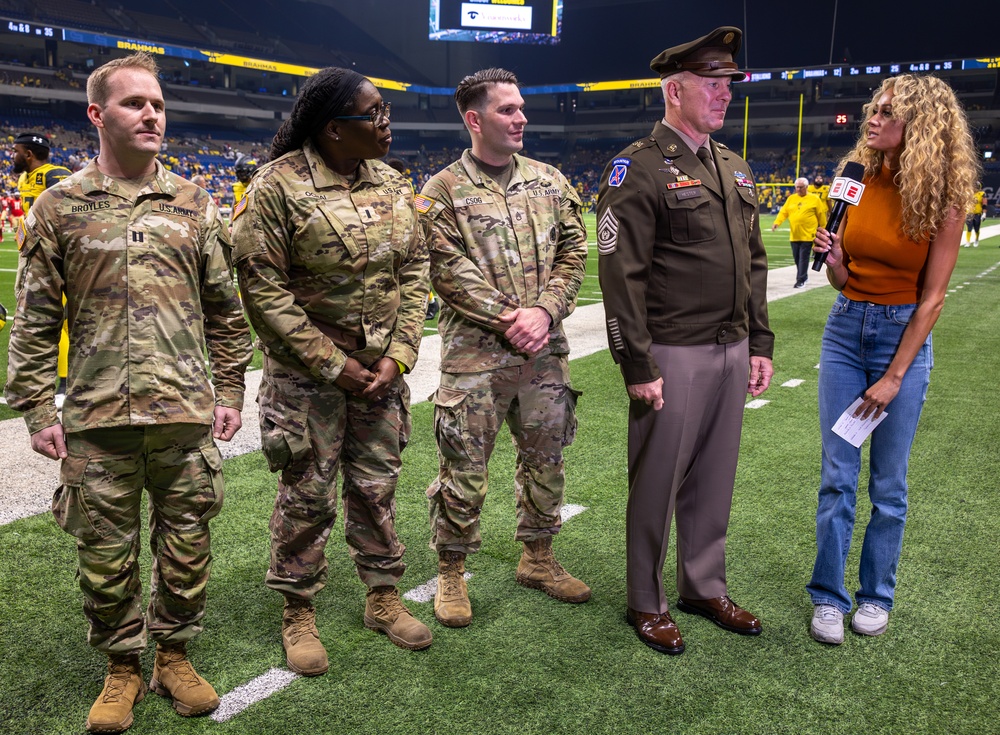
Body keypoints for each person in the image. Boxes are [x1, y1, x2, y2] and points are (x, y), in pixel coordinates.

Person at [5, 52, 252, 732]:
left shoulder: (194, 203)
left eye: (159, 104)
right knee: (105, 558)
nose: (152, 113)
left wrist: (230, 386)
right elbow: (34, 318)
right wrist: (33, 404)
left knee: (186, 544)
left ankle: (173, 653)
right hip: (96, 416)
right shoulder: (58, 207)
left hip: (183, 415)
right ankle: (122, 664)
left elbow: (226, 311)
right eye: (134, 102)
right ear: (97, 114)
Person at [231, 67, 432, 665]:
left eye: (385, 111)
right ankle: (298, 608)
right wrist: (331, 363)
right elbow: (262, 290)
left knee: (377, 487)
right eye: (373, 114)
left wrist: (398, 355)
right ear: (332, 129)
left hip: (380, 377)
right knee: (307, 494)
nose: (385, 124)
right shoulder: (276, 187)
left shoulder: (394, 185)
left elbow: (416, 271)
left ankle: (383, 595)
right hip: (306, 383)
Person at [596, 27, 773, 655]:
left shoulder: (734, 166)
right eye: (713, 84)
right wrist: (636, 363)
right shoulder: (638, 166)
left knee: (714, 478)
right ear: (675, 90)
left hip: (729, 348)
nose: (725, 95)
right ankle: (646, 600)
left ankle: (703, 584)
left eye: (729, 84)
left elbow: (754, 264)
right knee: (657, 481)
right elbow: (622, 276)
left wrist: (761, 343)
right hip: (671, 351)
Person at [417, 67, 589, 629]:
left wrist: (544, 313)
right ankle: (451, 571)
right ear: (475, 119)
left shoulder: (550, 180)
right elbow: (447, 269)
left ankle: (537, 558)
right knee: (462, 469)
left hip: (544, 355)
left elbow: (575, 249)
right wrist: (509, 318)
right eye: (507, 110)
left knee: (547, 461)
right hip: (475, 359)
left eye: (521, 108)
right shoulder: (441, 191)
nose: (521, 118)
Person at [808, 75, 977, 645]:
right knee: (837, 474)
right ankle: (828, 597)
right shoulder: (855, 177)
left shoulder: (945, 196)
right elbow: (844, 278)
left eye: (886, 112)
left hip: (900, 337)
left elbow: (932, 298)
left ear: (921, 127)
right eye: (872, 110)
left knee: (888, 483)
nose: (872, 119)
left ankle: (876, 593)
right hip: (845, 328)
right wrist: (832, 259)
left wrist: (894, 376)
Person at [12, 132, 73, 401]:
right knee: (35, 319)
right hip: (30, 253)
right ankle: (47, 374)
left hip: (52, 255)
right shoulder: (24, 177)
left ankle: (65, 381)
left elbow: (66, 210)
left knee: (60, 321)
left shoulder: (56, 173)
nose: (12, 156)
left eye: (16, 151)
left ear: (28, 153)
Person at [772, 177, 827, 287]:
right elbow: (784, 212)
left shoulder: (814, 199)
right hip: (795, 235)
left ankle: (801, 279)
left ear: (806, 187)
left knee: (803, 258)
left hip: (808, 235)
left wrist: (823, 230)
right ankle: (803, 277)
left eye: (801, 187)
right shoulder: (791, 198)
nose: (798, 189)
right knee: (797, 258)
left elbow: (821, 215)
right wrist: (777, 222)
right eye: (796, 187)